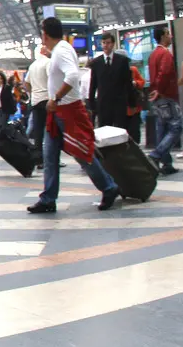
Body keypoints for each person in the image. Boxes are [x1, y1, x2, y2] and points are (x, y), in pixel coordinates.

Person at [29, 17, 121, 214]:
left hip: (67, 110)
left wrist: (56, 98)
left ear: (44, 34)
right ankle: (48, 198)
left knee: (81, 152)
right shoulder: (61, 49)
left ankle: (109, 187)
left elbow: (72, 75)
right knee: (50, 155)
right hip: (59, 112)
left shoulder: (61, 51)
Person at [146, 26, 182, 175]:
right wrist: (159, 90)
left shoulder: (153, 54)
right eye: (168, 34)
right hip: (167, 96)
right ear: (162, 37)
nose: (170, 36)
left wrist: (155, 90)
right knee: (176, 127)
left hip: (158, 97)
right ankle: (157, 154)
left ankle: (166, 163)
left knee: (162, 128)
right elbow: (165, 72)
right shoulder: (165, 54)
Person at [87, 31, 132, 132]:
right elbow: (93, 84)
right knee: (104, 131)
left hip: (119, 103)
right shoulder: (96, 63)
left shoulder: (122, 61)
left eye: (108, 43)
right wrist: (91, 103)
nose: (105, 45)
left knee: (120, 130)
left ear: (113, 44)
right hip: (103, 103)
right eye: (103, 43)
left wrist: (131, 102)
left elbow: (128, 82)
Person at [25, 45, 51, 151]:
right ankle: (52, 159)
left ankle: (39, 159)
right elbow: (51, 79)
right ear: (44, 51)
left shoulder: (32, 65)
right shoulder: (48, 62)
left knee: (38, 133)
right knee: (51, 131)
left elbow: (26, 83)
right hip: (47, 100)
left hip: (35, 102)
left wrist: (33, 93)